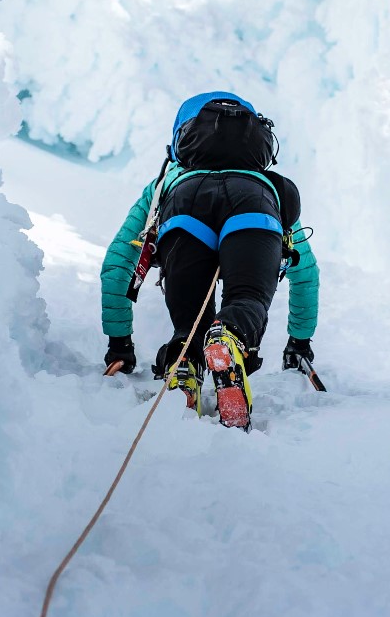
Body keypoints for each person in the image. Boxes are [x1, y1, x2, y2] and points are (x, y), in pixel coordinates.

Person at [100, 92, 319, 430]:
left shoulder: (165, 183)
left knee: (189, 323)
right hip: (253, 206)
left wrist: (120, 344)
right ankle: (228, 335)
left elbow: (117, 266)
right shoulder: (268, 185)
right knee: (246, 297)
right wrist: (299, 343)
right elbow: (305, 272)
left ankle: (184, 362)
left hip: (185, 207)